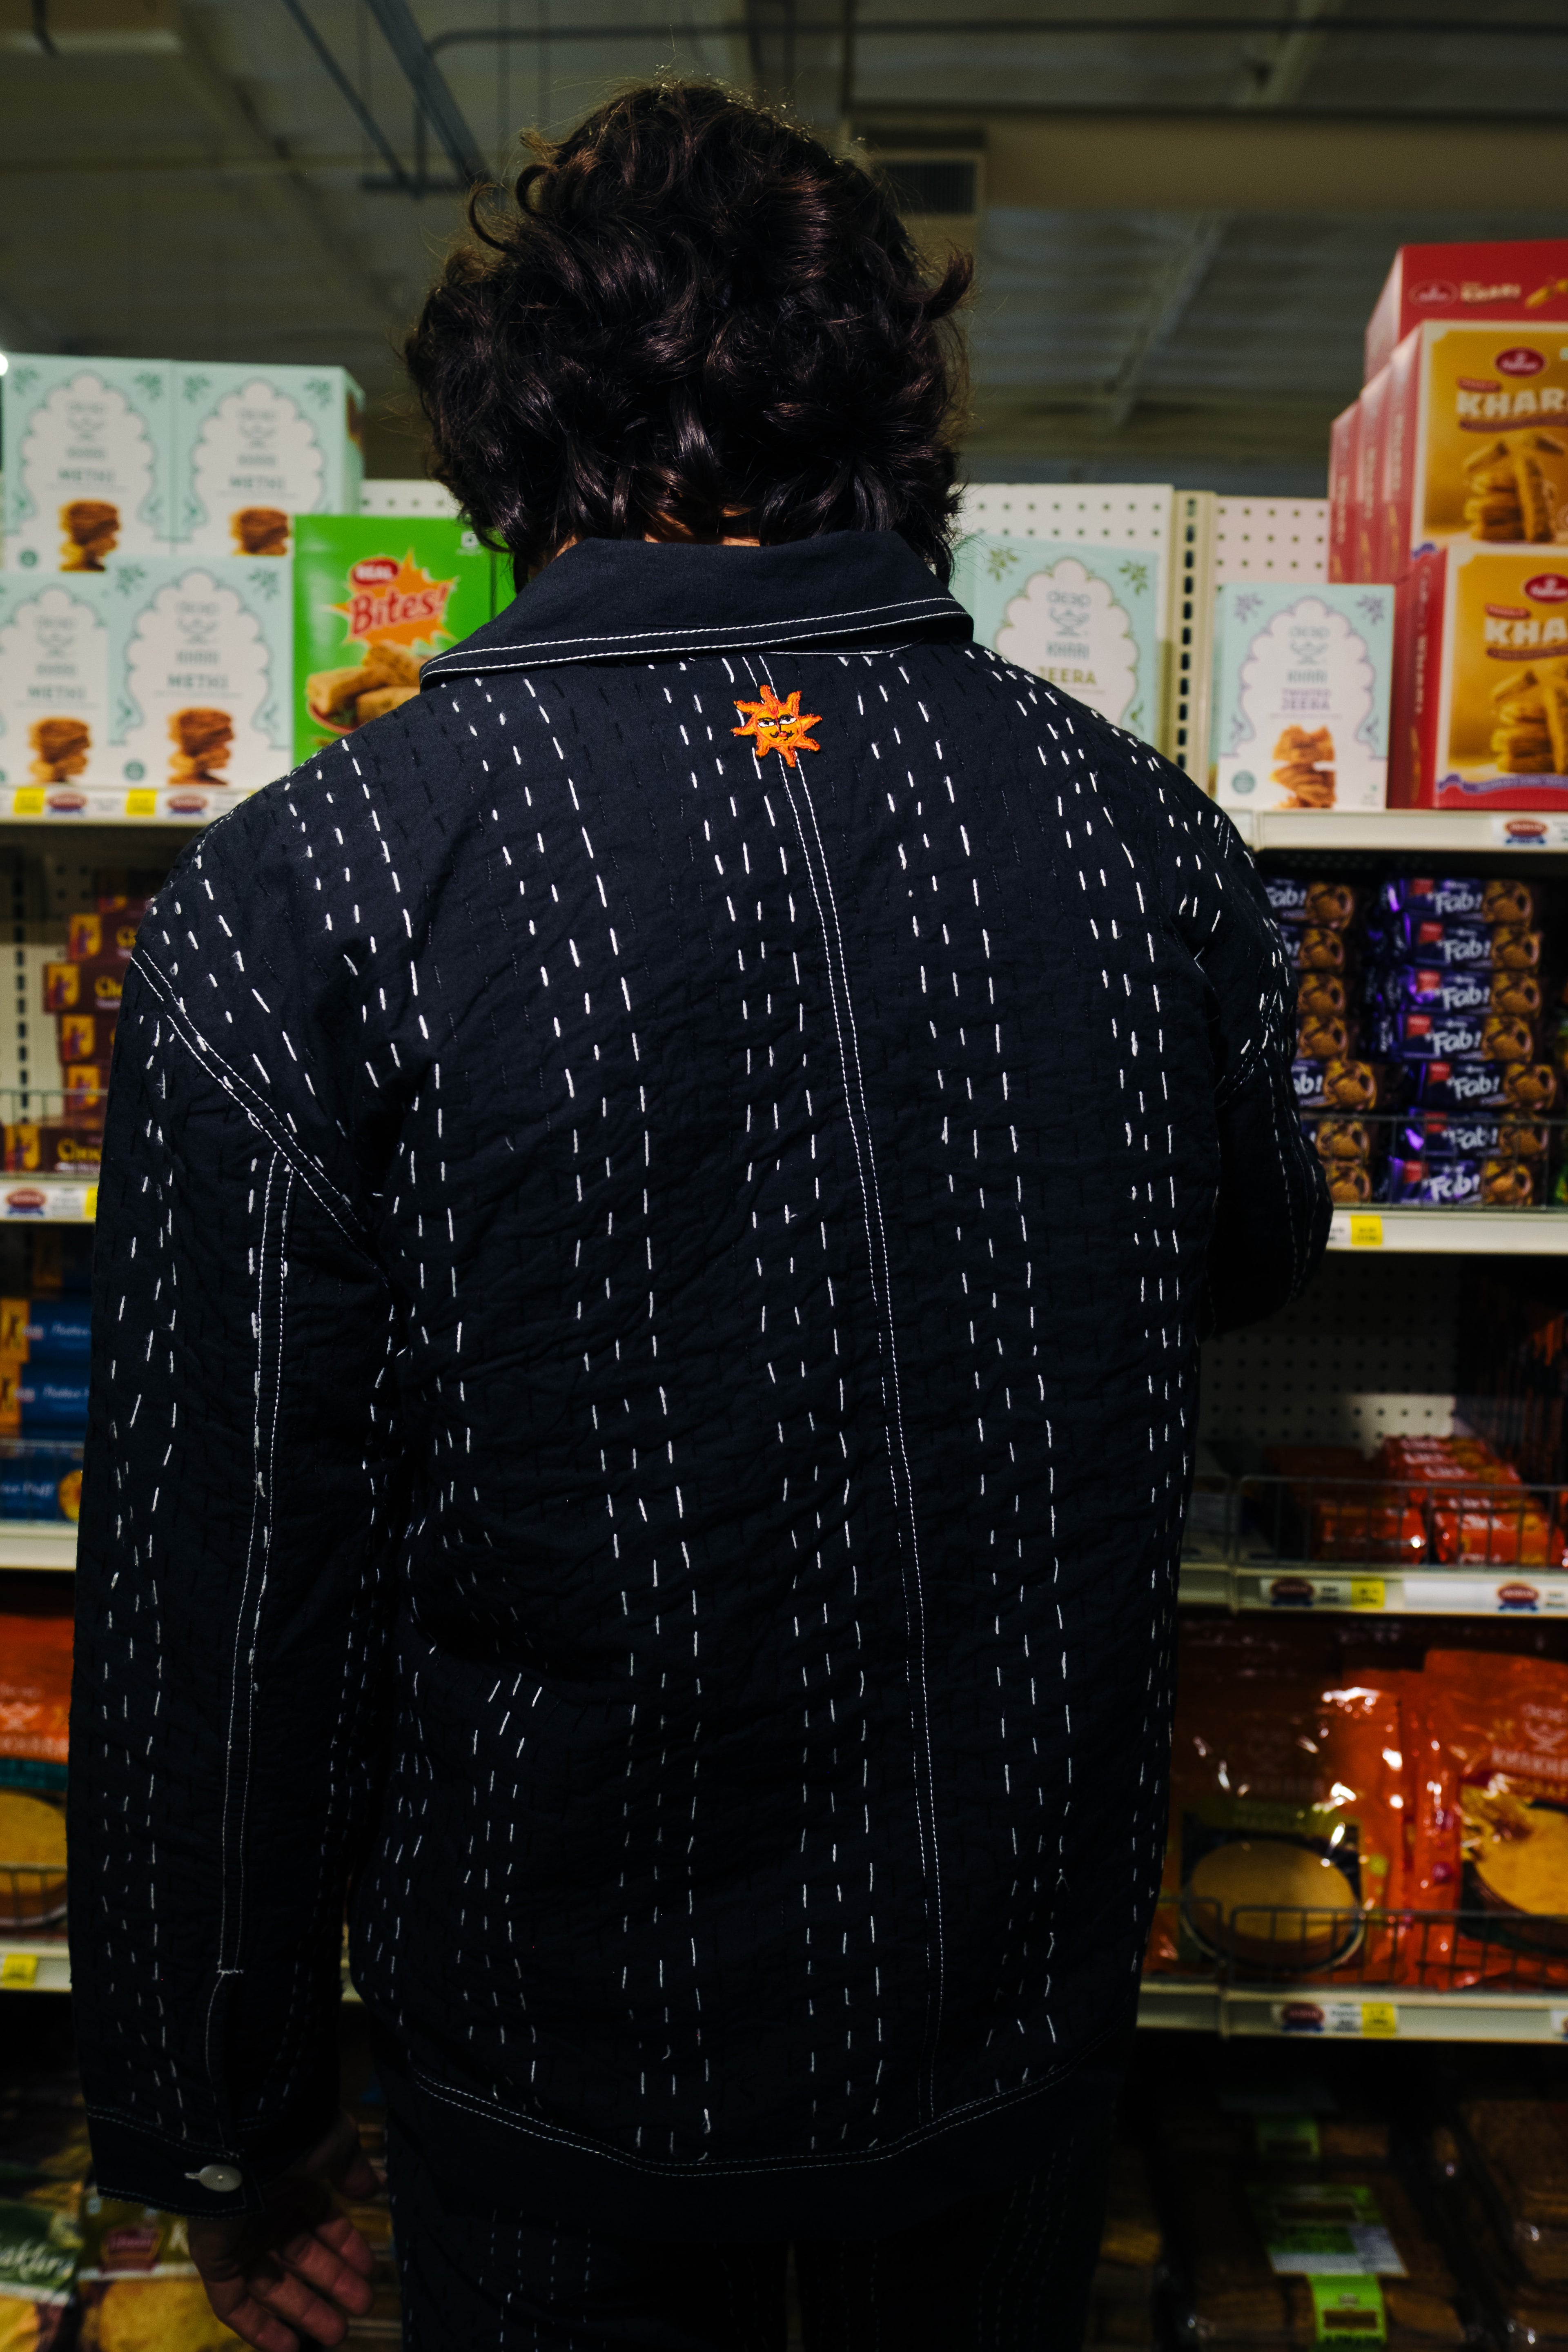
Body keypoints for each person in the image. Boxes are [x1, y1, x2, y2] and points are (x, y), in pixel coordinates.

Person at [69, 79, 1330, 2352]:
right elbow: (1246, 1256)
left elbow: (228, 1593)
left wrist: (219, 2137)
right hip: (1007, 2073)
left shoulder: (311, 896)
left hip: (557, 2114)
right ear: (894, 423)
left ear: (508, 445)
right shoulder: (1139, 839)